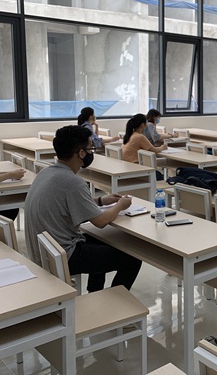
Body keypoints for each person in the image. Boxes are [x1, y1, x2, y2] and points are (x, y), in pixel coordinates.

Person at [24, 125, 142, 292]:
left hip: (44, 251)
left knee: (102, 241)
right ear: (81, 153)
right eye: (90, 149)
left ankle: (95, 292)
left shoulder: (47, 172)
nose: (91, 153)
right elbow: (101, 222)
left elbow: (67, 201)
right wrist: (120, 205)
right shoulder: (73, 182)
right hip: (63, 255)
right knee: (133, 258)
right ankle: (115, 301)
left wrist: (101, 200)